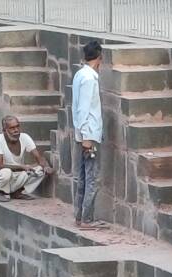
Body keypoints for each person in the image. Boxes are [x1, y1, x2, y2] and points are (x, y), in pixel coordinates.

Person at [71, 39, 106, 230]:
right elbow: (83, 108)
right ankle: (86, 218)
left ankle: (80, 216)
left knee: (83, 176)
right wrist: (86, 136)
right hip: (88, 134)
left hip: (84, 132)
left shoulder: (80, 74)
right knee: (90, 178)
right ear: (99, 57)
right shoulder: (89, 78)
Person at [0, 116, 52, 201]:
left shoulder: (24, 137)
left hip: (16, 177)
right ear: (4, 130)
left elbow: (38, 157)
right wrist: (22, 167)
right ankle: (0, 192)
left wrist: (46, 166)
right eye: (12, 128)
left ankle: (17, 192)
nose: (16, 130)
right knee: (6, 172)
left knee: (40, 170)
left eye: (17, 126)